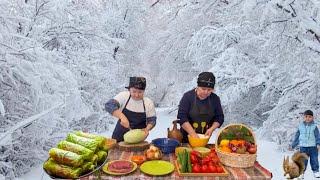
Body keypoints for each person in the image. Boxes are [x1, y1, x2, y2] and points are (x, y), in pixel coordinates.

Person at [105, 77, 157, 142]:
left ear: (144, 91)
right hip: (118, 136)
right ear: (129, 89)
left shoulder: (148, 103)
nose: (137, 95)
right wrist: (122, 117)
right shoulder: (124, 96)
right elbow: (109, 105)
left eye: (140, 92)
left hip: (137, 140)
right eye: (134, 91)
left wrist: (147, 128)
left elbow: (152, 120)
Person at [177, 71, 224, 143]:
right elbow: (181, 117)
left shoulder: (215, 99)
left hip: (204, 139)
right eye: (203, 89)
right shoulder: (188, 97)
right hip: (185, 139)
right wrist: (192, 134)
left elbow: (219, 117)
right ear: (198, 86)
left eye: (209, 90)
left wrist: (211, 129)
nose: (206, 92)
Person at [290, 110, 320, 178]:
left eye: (309, 117)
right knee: (303, 161)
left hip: (313, 147)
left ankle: (316, 171)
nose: (308, 118)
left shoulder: (314, 127)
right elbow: (297, 136)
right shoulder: (300, 126)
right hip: (303, 147)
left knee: (314, 160)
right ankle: (302, 173)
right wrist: (293, 145)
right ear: (304, 117)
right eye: (306, 116)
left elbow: (317, 136)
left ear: (312, 118)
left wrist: (318, 144)